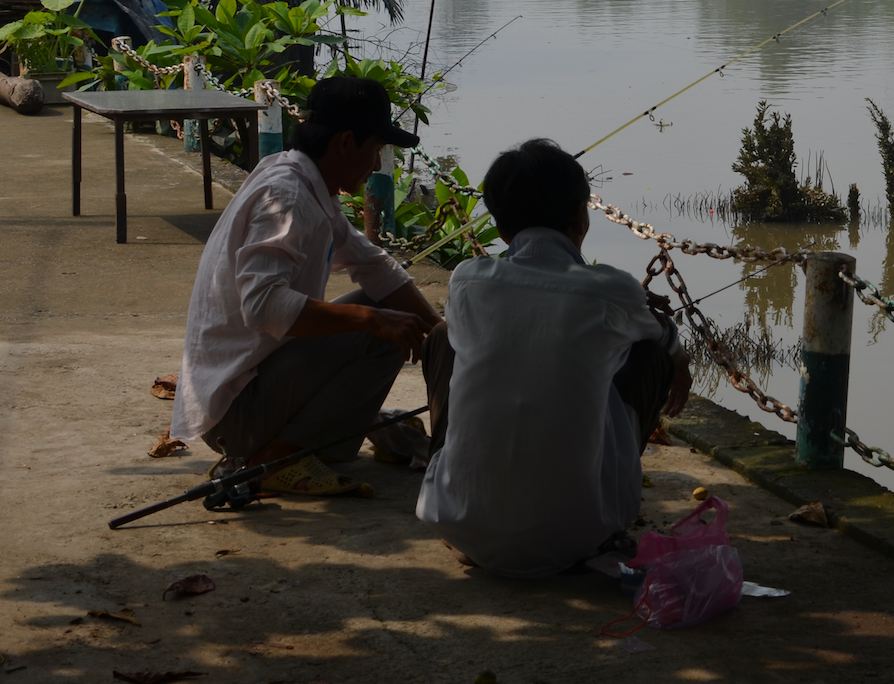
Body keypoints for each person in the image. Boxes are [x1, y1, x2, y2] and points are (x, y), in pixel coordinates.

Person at [416, 138, 691, 578]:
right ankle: (602, 509)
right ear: (580, 216)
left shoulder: (468, 280)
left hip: (460, 522)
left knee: (444, 336)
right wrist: (680, 365)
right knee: (648, 351)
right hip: (577, 535)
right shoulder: (611, 289)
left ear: (502, 228)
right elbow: (664, 338)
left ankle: (466, 492)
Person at [170, 76, 444, 496]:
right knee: (382, 332)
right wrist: (372, 320)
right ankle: (272, 459)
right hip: (235, 410)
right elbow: (262, 305)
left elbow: (373, 265)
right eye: (374, 151)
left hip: (250, 386)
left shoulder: (305, 181)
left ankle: (311, 434)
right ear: (346, 142)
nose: (374, 165)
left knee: (387, 313)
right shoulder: (288, 196)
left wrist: (441, 334)